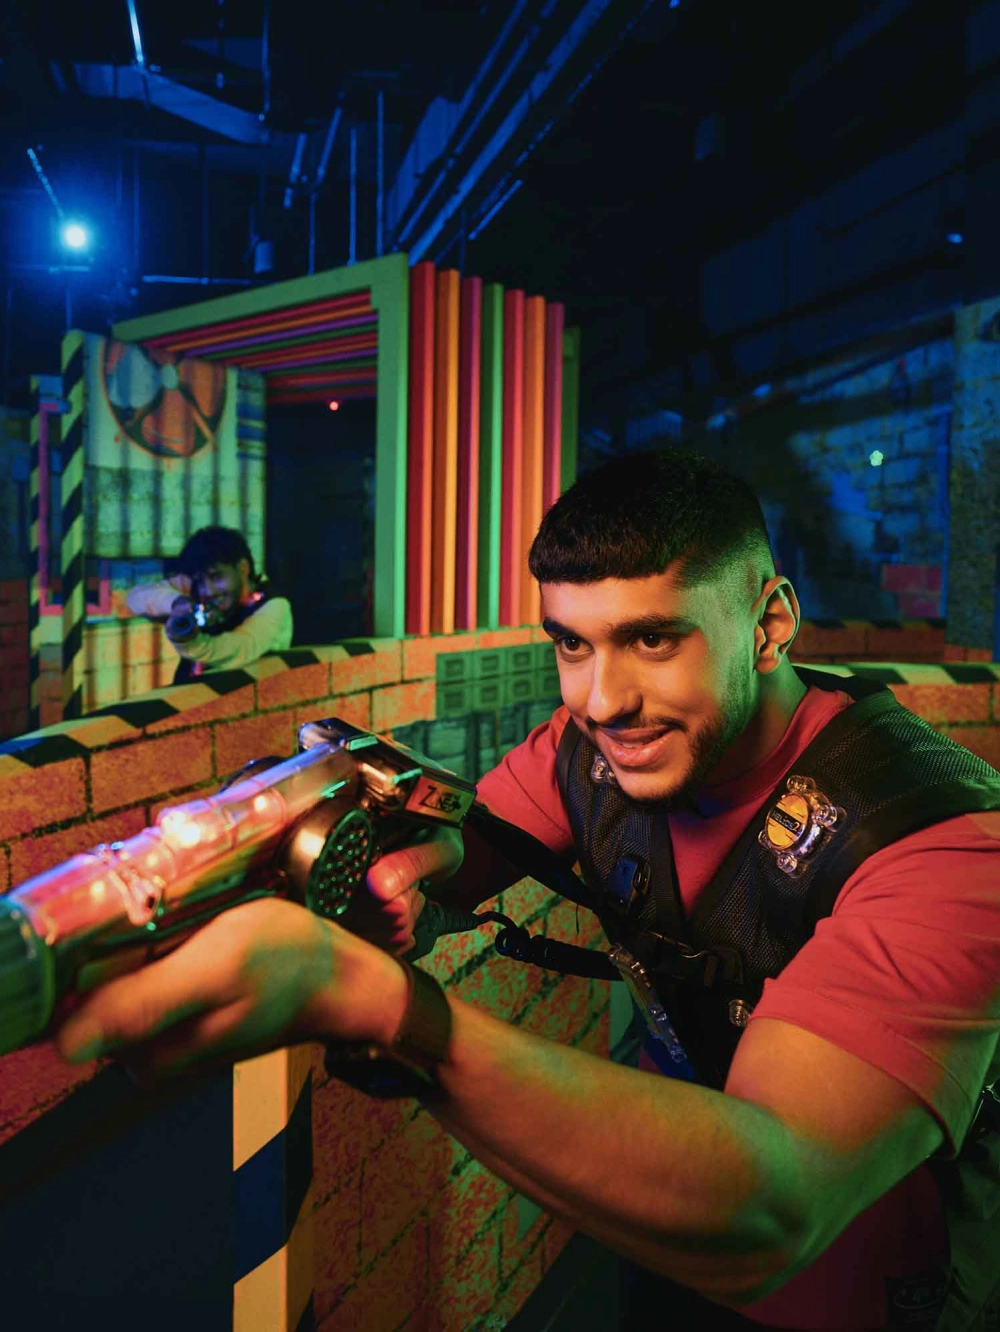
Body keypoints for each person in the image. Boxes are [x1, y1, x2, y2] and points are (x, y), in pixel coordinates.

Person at [57, 451, 1000, 1331]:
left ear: (769, 624)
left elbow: (773, 1204)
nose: (602, 700)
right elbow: (459, 852)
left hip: (873, 1291)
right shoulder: (586, 753)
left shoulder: (944, 843)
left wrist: (380, 1007)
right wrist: (364, 866)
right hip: (657, 1248)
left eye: (652, 640)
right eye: (573, 646)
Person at [126, 526, 293, 682]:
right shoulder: (197, 586)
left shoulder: (274, 606)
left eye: (216, 577)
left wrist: (189, 641)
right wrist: (177, 603)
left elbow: (235, 651)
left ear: (243, 568)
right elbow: (136, 598)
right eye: (200, 580)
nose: (208, 591)